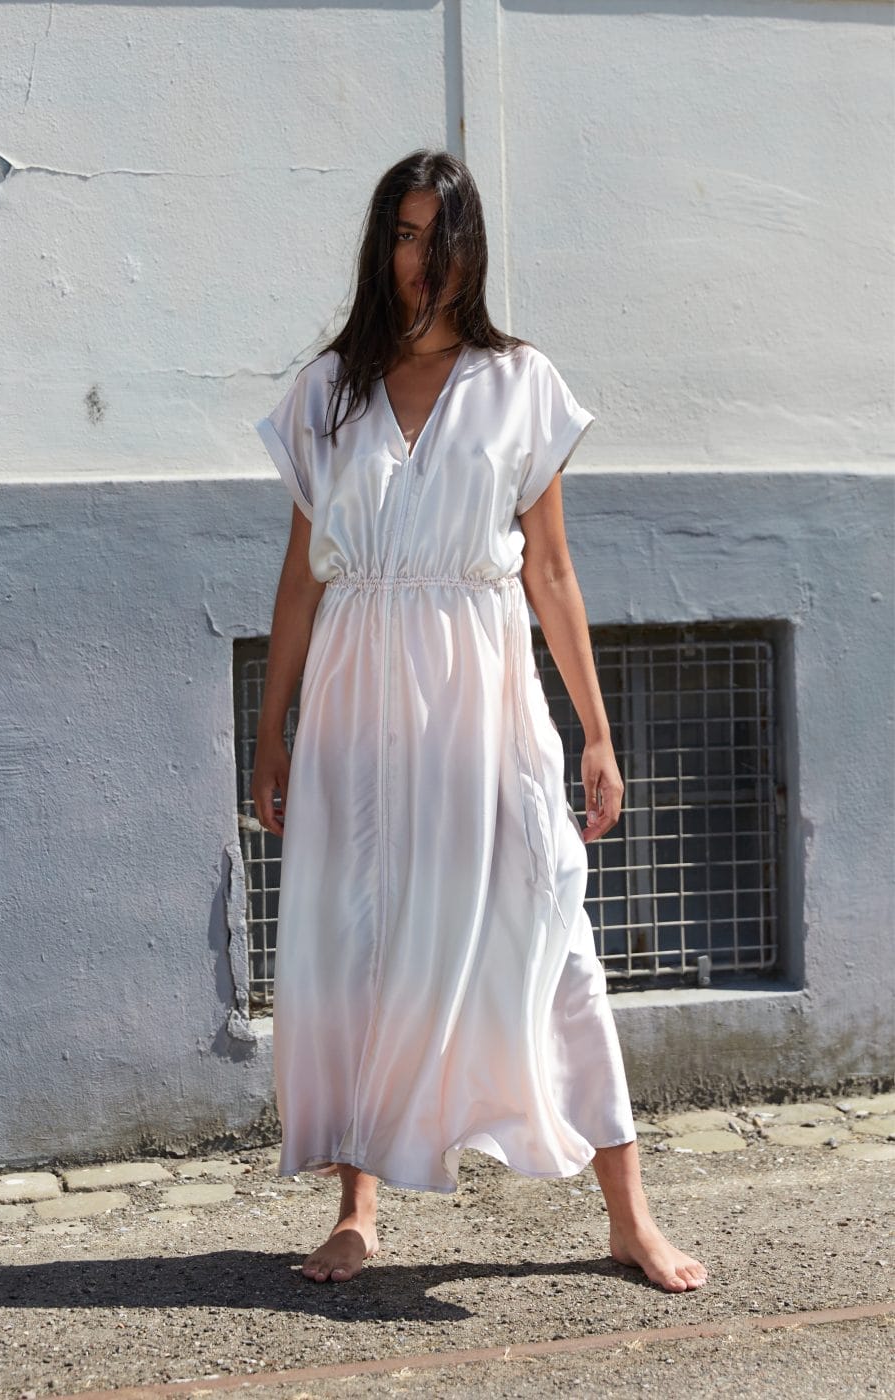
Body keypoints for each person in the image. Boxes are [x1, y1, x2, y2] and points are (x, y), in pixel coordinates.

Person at [252, 149, 708, 1295]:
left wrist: (595, 731)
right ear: (382, 247)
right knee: (360, 934)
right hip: (356, 695)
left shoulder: (519, 382)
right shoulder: (327, 391)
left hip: (485, 693)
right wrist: (269, 730)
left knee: (550, 919)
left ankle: (629, 1214)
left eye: (440, 236)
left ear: (473, 249)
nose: (422, 259)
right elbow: (301, 577)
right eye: (404, 235)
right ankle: (358, 1208)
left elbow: (550, 571)